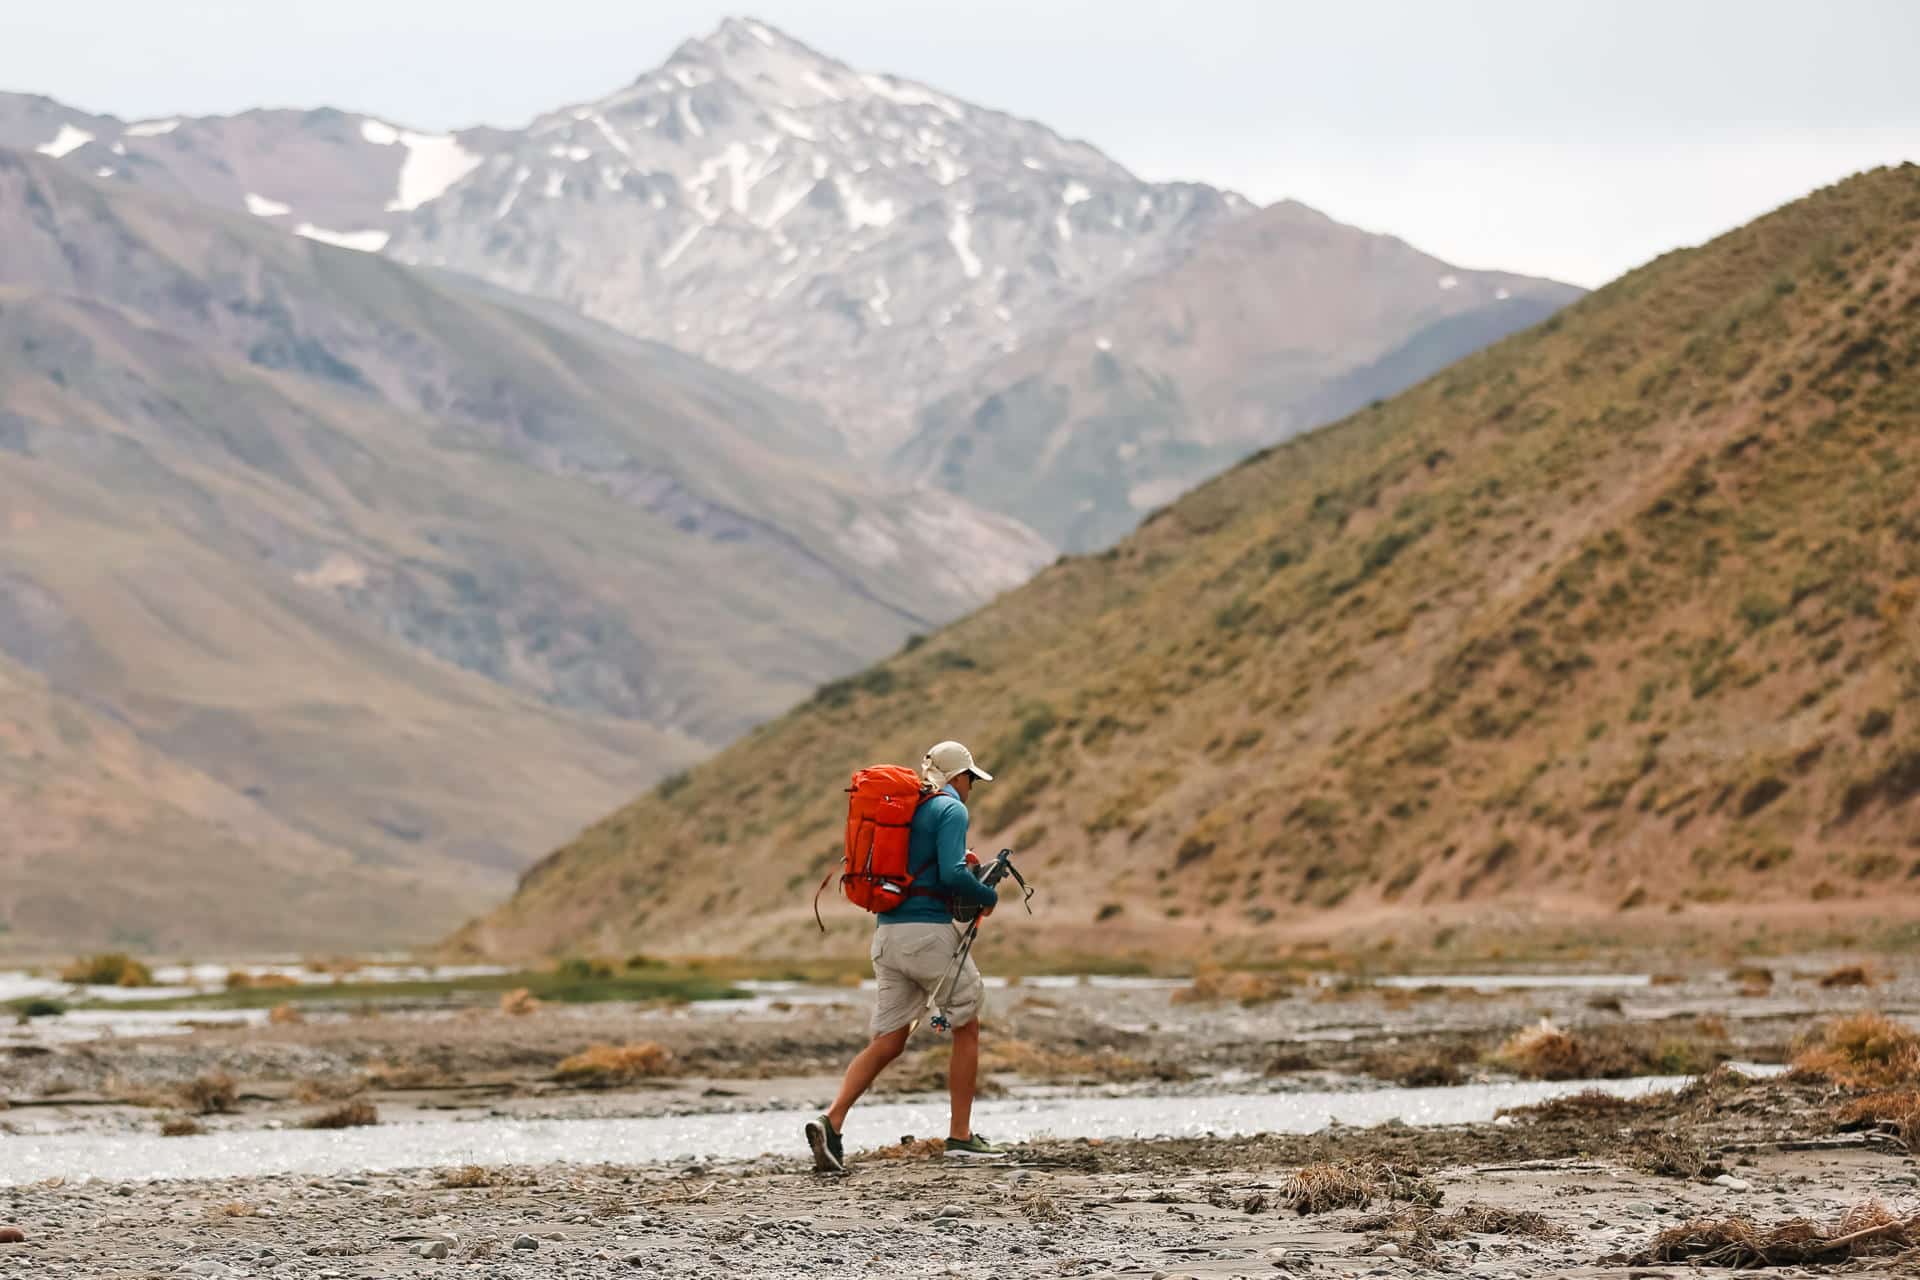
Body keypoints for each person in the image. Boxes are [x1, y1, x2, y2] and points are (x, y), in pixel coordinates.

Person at [806, 740, 1002, 1171]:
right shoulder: (951, 810)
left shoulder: (904, 809)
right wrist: (985, 892)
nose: (972, 787)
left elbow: (924, 869)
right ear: (957, 777)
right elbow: (951, 875)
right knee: (966, 1026)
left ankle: (832, 1121)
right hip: (927, 936)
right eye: (971, 779)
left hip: (887, 936)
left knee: (890, 1039)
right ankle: (961, 1137)